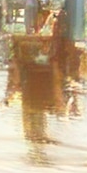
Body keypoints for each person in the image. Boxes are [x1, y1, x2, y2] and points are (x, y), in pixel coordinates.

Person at [8, 11, 67, 158]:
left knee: (34, 119)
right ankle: (37, 142)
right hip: (35, 86)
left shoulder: (42, 48)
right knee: (34, 119)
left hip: (34, 87)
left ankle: (36, 142)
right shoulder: (42, 48)